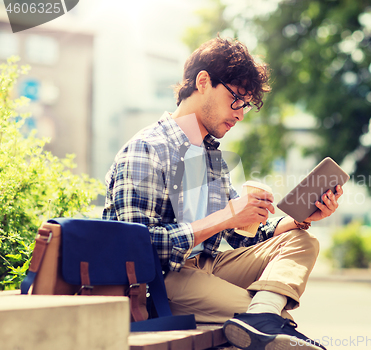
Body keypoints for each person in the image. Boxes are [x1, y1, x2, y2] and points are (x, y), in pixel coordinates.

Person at [102, 36, 343, 350]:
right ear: (203, 82)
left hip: (210, 265)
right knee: (257, 316)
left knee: (302, 240)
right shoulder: (148, 148)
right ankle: (265, 318)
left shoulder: (211, 158)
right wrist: (225, 216)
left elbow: (243, 234)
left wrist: (297, 220)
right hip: (163, 279)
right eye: (236, 99)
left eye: (245, 105)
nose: (241, 113)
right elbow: (135, 249)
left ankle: (264, 316)